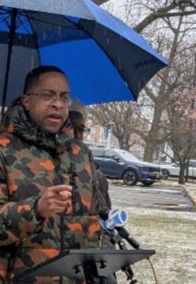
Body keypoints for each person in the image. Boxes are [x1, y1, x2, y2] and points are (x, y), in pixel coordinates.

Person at [0, 66, 102, 284]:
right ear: (27, 101)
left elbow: (93, 224)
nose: (57, 104)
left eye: (64, 97)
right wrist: (35, 210)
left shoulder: (81, 154)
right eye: (47, 95)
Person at [68, 105, 117, 284]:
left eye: (81, 129)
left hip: (89, 264)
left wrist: (103, 258)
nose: (77, 134)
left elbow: (105, 222)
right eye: (71, 127)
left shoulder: (95, 176)